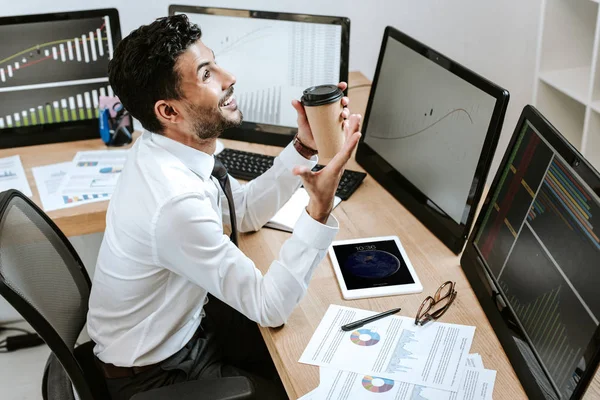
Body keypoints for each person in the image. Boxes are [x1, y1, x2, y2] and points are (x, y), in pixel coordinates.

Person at [87, 14, 361, 400]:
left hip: (188, 330)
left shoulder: (168, 147)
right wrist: (318, 208)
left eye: (215, 62)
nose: (228, 76)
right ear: (168, 112)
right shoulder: (174, 201)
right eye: (205, 75)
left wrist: (303, 146)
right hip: (158, 375)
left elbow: (242, 212)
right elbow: (270, 307)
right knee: (308, 385)